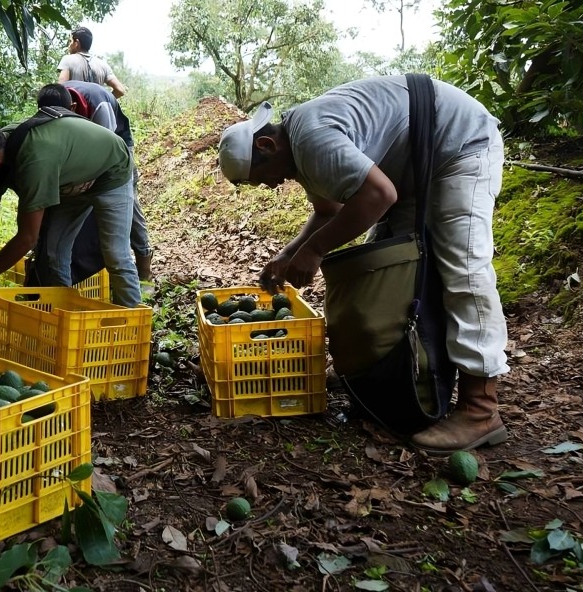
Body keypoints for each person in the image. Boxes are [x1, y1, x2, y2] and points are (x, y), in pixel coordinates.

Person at [217, 75, 509, 455]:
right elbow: (330, 210)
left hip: (458, 147)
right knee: (391, 270)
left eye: (261, 179)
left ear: (267, 145)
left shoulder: (311, 138)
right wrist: (290, 253)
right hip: (412, 170)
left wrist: (316, 251)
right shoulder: (300, 150)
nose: (270, 187)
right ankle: (393, 369)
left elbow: (378, 195)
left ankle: (480, 408)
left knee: (462, 268)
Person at [0, 114, 141, 307]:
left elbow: (27, 238)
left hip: (111, 171)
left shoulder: (33, 160)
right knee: (54, 253)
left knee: (116, 254)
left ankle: (132, 326)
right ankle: (63, 314)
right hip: (68, 181)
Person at [37, 82, 154, 281]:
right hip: (83, 146)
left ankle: (144, 270)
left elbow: (106, 153)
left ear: (72, 108)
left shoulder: (99, 105)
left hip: (116, 149)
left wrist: (84, 182)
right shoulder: (53, 100)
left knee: (128, 203)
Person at [57, 26, 127, 100]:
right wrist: (104, 100)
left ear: (77, 43)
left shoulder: (68, 59)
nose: (69, 45)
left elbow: (61, 89)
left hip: (74, 110)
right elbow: (120, 90)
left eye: (70, 41)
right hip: (98, 110)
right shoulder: (103, 65)